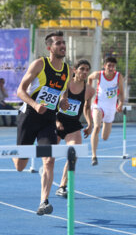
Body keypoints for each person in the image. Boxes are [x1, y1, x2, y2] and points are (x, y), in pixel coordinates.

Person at [13, 31, 70, 215]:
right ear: (49, 48)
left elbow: (62, 94)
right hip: (29, 116)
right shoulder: (39, 64)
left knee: (49, 159)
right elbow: (20, 91)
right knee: (20, 166)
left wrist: (63, 102)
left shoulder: (67, 70)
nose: (63, 46)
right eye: (58, 43)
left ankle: (43, 202)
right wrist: (35, 104)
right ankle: (15, 152)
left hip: (48, 119)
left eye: (64, 43)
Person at [54, 59, 95, 198]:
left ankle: (62, 186)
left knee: (74, 153)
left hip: (72, 125)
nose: (84, 72)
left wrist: (90, 124)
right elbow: (54, 102)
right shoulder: (65, 83)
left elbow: (87, 107)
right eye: (82, 69)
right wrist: (56, 121)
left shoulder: (89, 90)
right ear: (75, 70)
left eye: (87, 69)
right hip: (57, 121)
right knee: (48, 157)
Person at [87, 57, 124, 166]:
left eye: (113, 66)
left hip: (111, 108)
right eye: (109, 65)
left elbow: (121, 92)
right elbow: (89, 77)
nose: (111, 68)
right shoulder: (99, 75)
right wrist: (90, 91)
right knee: (97, 127)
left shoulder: (118, 76)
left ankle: (104, 124)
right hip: (99, 105)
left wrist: (121, 103)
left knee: (105, 137)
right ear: (104, 66)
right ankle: (94, 156)